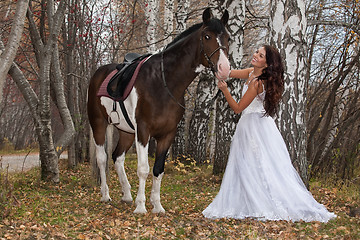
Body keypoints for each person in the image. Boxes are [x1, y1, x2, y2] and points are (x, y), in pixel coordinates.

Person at [202, 45, 336, 222]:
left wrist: (225, 90)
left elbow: (237, 108)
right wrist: (220, 67)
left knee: (258, 165)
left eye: (261, 55)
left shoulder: (257, 83)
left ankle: (263, 201)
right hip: (253, 125)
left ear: (267, 63)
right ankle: (248, 200)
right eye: (256, 52)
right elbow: (231, 73)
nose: (255, 55)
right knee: (248, 166)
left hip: (253, 127)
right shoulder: (252, 72)